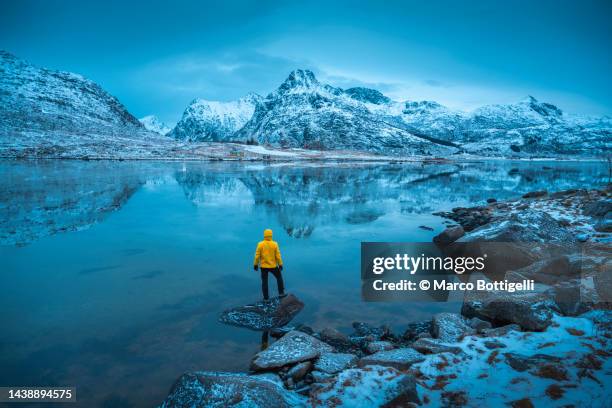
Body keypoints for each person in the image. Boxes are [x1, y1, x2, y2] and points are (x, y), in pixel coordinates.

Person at [253, 229, 286, 300]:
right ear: (271, 235)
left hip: (263, 267)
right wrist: (280, 264)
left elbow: (257, 256)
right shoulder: (275, 244)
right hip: (273, 266)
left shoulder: (260, 244)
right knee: (279, 277)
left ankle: (266, 298)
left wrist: (255, 264)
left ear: (264, 235)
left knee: (264, 282)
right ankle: (281, 293)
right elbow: (278, 255)